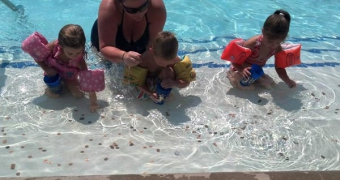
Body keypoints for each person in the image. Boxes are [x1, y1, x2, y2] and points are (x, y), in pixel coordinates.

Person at [22, 24, 100, 112]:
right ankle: (48, 90)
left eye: (78, 52)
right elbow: (38, 57)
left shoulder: (80, 61)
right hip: (53, 73)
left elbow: (88, 81)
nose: (74, 56)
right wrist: (46, 69)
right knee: (54, 93)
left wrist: (93, 102)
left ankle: (69, 85)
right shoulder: (53, 47)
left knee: (77, 94)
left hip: (69, 76)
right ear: (61, 46)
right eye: (70, 53)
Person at [224, 9, 298, 90]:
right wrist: (242, 70)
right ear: (263, 31)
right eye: (269, 41)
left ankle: (255, 80)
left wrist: (288, 81)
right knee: (248, 88)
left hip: (255, 72)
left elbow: (279, 68)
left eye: (277, 42)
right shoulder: (252, 44)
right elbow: (235, 60)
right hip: (240, 68)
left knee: (271, 84)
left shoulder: (277, 48)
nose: (272, 45)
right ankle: (231, 74)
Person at [124, 31, 196, 103]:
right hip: (146, 78)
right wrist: (150, 93)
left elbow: (187, 82)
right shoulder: (144, 60)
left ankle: (163, 89)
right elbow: (135, 82)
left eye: (169, 62)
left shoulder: (175, 59)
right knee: (139, 95)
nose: (164, 65)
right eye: (161, 62)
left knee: (168, 71)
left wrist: (175, 83)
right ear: (152, 52)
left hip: (160, 78)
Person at [90, 0, 166, 67]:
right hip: (106, 41)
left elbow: (152, 46)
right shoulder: (109, 8)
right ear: (120, 3)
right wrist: (123, 56)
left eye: (143, 7)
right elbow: (105, 47)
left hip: (138, 46)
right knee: (106, 67)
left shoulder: (157, 9)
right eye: (132, 10)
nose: (139, 13)